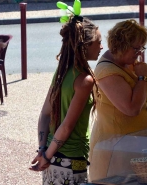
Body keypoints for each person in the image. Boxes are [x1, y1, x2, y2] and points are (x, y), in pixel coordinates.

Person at [88, 19, 147, 181]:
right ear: (121, 45)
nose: (139, 53)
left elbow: (130, 96)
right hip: (115, 153)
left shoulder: (127, 62)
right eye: (136, 48)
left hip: (134, 147)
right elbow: (131, 109)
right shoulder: (107, 71)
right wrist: (143, 77)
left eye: (142, 48)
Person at [29, 15, 103, 185]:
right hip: (70, 161)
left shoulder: (62, 72)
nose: (101, 46)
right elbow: (67, 126)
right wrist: (46, 156)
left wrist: (43, 150)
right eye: (98, 41)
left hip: (51, 157)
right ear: (85, 45)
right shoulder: (84, 80)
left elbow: (45, 114)